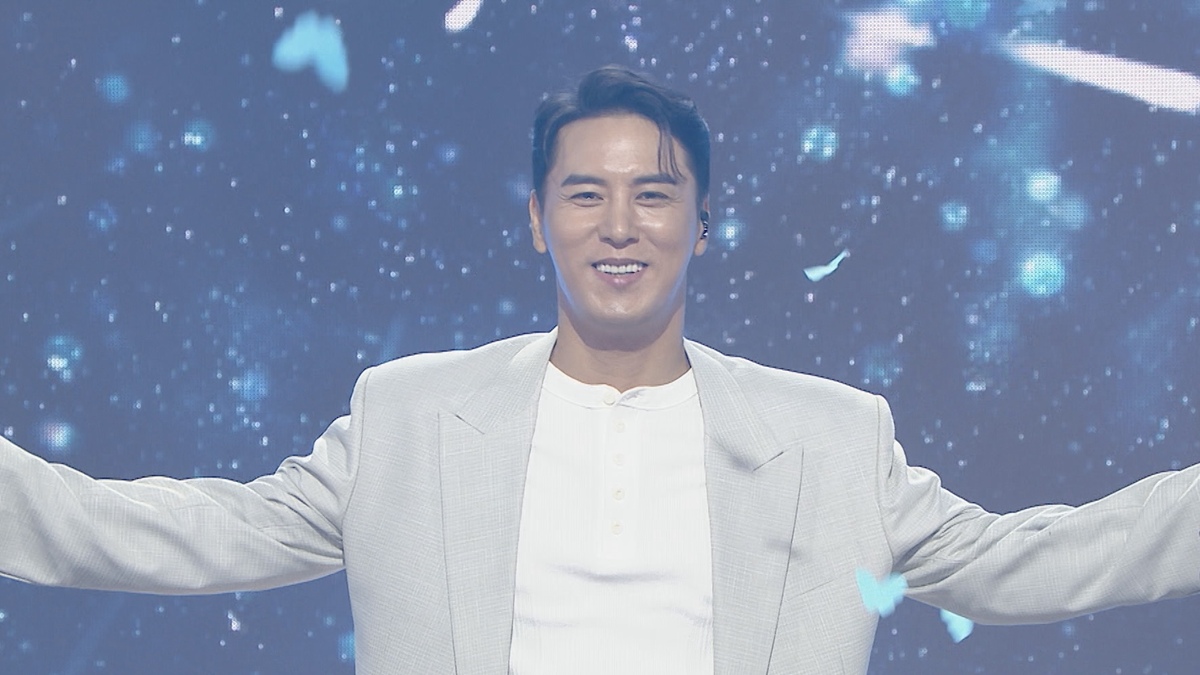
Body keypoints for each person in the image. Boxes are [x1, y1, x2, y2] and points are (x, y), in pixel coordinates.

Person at [2, 64, 1200, 675]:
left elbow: (1028, 563)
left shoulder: (831, 438)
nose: (618, 226)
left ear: (702, 224)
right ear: (538, 220)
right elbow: (197, 536)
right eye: (584, 194)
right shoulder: (410, 416)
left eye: (653, 195)